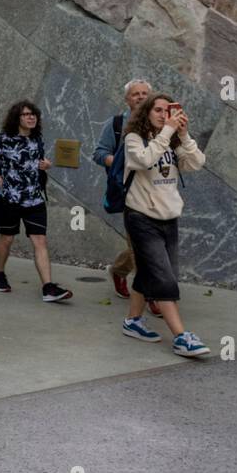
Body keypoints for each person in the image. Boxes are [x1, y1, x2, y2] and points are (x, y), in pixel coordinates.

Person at [118, 95, 211, 357]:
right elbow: (145, 160)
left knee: (149, 273)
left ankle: (132, 321)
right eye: (157, 110)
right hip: (140, 218)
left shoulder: (170, 141)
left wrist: (183, 134)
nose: (163, 115)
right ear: (146, 113)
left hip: (169, 219)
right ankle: (181, 337)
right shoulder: (134, 139)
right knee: (164, 277)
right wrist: (168, 130)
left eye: (168, 110)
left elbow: (196, 162)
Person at [0, 100, 73, 302]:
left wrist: (45, 165)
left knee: (40, 240)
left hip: (34, 199)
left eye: (33, 114)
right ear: (16, 118)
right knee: (7, 239)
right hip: (9, 198)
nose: (31, 117)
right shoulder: (5, 139)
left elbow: (36, 162)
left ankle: (48, 287)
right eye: (26, 114)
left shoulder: (37, 139)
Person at [92, 79, 162, 317]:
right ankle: (152, 296)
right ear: (127, 99)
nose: (141, 97)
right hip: (130, 194)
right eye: (135, 94)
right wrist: (121, 163)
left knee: (147, 245)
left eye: (145, 93)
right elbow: (99, 153)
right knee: (143, 247)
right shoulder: (117, 124)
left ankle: (119, 270)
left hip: (158, 194)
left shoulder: (160, 123)